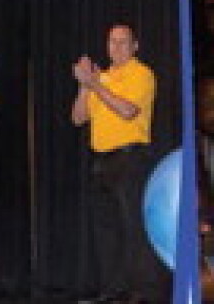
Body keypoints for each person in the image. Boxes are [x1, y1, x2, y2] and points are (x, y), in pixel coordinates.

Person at [71, 24, 168, 303]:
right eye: (112, 42)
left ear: (135, 46)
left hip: (130, 159)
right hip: (101, 161)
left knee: (134, 228)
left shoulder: (142, 73)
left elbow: (128, 111)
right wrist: (83, 86)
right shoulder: (102, 77)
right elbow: (77, 118)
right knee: (106, 232)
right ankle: (112, 292)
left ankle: (144, 293)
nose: (116, 47)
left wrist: (96, 85)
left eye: (123, 42)